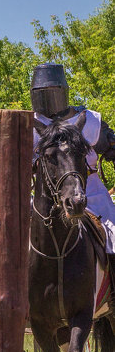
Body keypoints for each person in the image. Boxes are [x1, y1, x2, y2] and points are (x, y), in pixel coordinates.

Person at [29, 63, 115, 257]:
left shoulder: (89, 121)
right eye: (40, 93)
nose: (45, 100)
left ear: (61, 92)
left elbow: (112, 150)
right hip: (46, 198)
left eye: (49, 93)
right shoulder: (30, 125)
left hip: (90, 192)